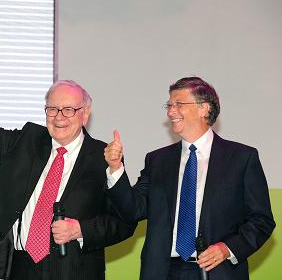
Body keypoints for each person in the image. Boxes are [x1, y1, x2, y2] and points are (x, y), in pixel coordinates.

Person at [0, 54, 135, 280]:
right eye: (52, 109)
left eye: (68, 109)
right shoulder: (26, 142)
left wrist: (81, 229)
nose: (59, 117)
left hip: (74, 270)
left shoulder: (103, 157)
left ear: (85, 114)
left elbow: (123, 223)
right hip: (21, 268)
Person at [104, 76, 275, 280]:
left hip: (219, 271)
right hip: (163, 272)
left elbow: (261, 220)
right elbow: (133, 209)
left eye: (178, 104)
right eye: (169, 105)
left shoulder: (241, 158)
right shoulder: (158, 160)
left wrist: (227, 249)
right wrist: (115, 168)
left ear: (204, 108)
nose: (170, 112)